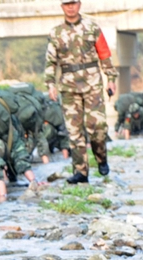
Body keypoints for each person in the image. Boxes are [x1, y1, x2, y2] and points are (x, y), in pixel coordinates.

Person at [45, 0, 117, 184]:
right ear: (62, 6)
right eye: (67, 4)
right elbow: (51, 61)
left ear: (80, 4)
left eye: (74, 3)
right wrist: (50, 84)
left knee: (97, 128)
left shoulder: (92, 27)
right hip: (69, 86)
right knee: (74, 131)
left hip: (92, 84)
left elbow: (104, 54)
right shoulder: (56, 33)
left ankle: (101, 158)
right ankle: (81, 172)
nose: (71, 7)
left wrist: (111, 79)